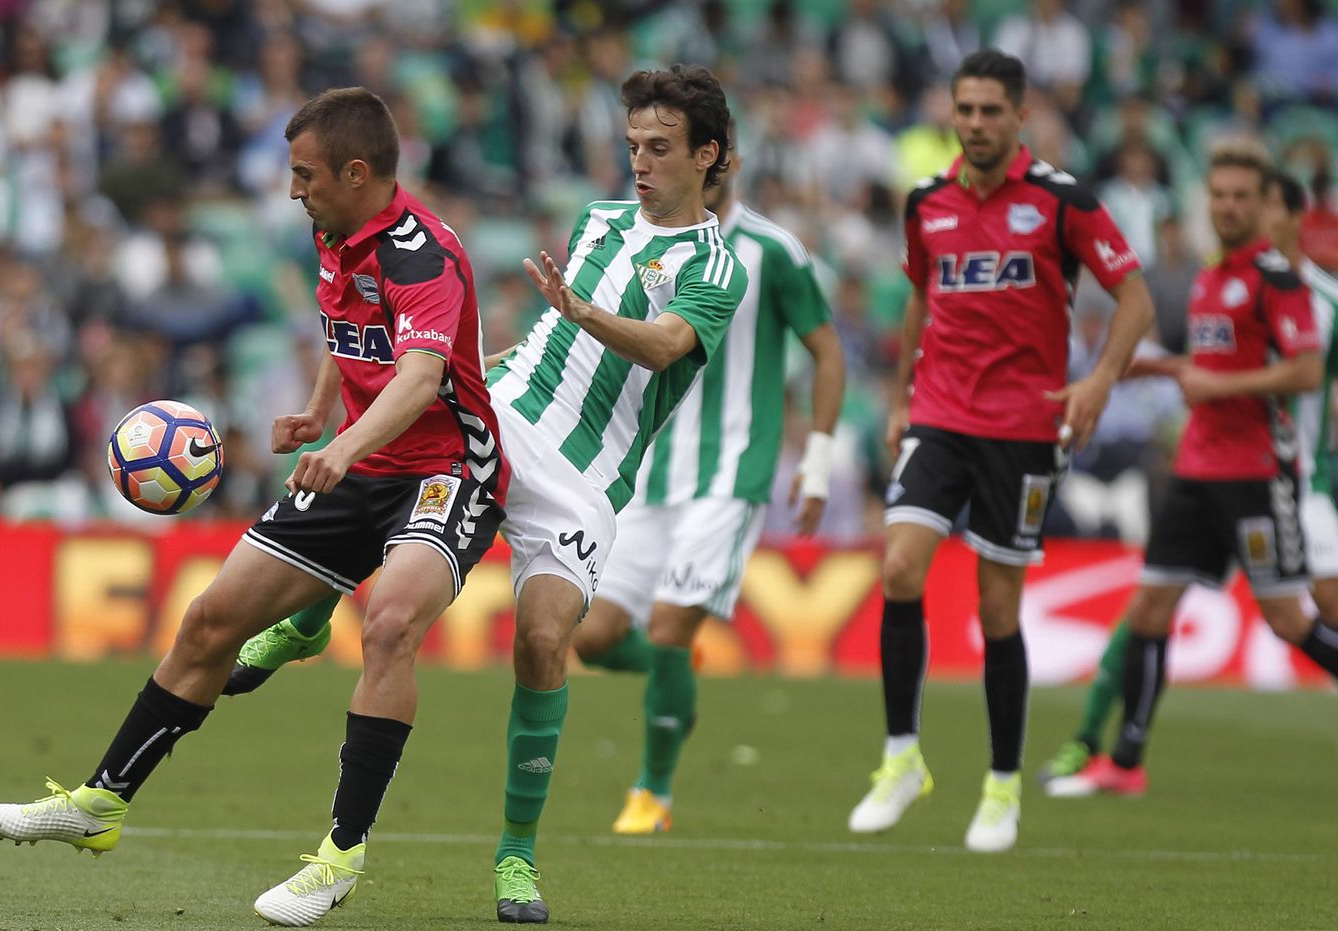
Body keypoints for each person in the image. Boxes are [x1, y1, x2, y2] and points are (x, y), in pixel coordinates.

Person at [0, 87, 511, 930]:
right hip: (362, 458)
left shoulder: (425, 258)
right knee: (209, 620)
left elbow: (417, 376)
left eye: (305, 174)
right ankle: (100, 803)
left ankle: (340, 856)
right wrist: (320, 408)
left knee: (389, 624)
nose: (292, 189)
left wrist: (339, 446)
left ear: (358, 172)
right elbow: (352, 333)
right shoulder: (332, 232)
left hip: (447, 470)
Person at [225, 65, 746, 924]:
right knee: (390, 491)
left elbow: (661, 346)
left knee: (543, 643)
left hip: (585, 480)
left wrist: (580, 312)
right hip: (503, 417)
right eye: (632, 147)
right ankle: (308, 620)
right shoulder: (598, 221)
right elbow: (545, 337)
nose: (641, 164)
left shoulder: (718, 267)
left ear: (709, 156)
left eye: (659, 149)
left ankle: (515, 858)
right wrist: (487, 362)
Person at [847, 49, 1154, 854]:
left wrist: (1099, 383)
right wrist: (901, 398)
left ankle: (1002, 785)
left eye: (991, 110)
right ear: (952, 113)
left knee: (997, 608)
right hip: (941, 414)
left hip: (1024, 429)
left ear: (1020, 116)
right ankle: (901, 758)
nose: (977, 123)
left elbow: (1136, 297)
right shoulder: (928, 203)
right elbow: (922, 295)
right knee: (900, 568)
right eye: (966, 109)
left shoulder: (1060, 202)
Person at [567, 133, 846, 835]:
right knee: (591, 636)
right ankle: (675, 675)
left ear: (724, 163)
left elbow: (827, 350)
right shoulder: (650, 240)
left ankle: (652, 793)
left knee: (665, 624)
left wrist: (814, 462)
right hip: (652, 467)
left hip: (731, 472)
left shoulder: (772, 251)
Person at [1041, 164, 1338, 795]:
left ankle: (1108, 750)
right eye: (1218, 194)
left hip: (1265, 474)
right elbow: (1215, 364)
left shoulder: (1282, 282)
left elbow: (1307, 374)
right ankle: (1123, 762)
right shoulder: (1210, 275)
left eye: (1241, 196)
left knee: (1291, 620)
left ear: (1266, 206)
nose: (1227, 206)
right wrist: (1161, 369)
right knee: (1149, 607)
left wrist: (1217, 384)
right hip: (1197, 469)